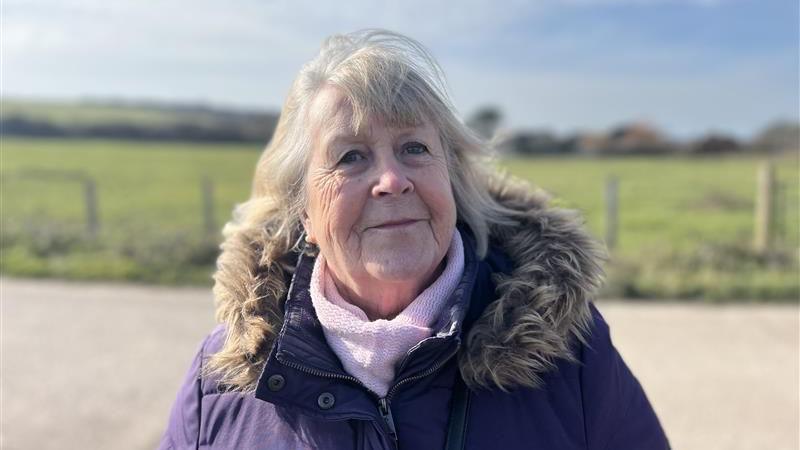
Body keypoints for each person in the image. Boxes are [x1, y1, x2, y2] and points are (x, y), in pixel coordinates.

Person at [159, 29, 669, 449]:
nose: (392, 180)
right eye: (350, 156)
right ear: (304, 212)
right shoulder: (219, 383)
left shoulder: (570, 353)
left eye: (414, 148)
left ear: (452, 179)